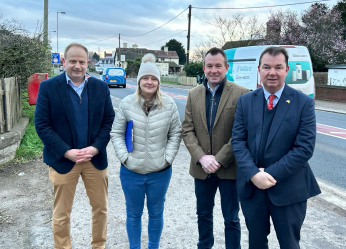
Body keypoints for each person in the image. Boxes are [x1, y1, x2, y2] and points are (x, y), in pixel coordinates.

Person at [232, 46, 321, 249]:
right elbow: (237, 141)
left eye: (278, 67)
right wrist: (254, 174)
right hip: (252, 189)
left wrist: (267, 174)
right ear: (259, 69)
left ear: (286, 69)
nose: (272, 72)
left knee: (289, 244)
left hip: (289, 189)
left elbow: (304, 148)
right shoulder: (245, 102)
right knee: (256, 243)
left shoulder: (303, 103)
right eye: (267, 67)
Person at [34, 43, 115, 249]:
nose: (77, 66)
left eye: (81, 62)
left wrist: (96, 148)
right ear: (64, 62)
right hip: (63, 160)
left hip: (94, 159)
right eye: (72, 61)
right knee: (61, 213)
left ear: (87, 63)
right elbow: (42, 125)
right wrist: (65, 151)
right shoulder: (48, 87)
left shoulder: (101, 87)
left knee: (100, 209)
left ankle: (99, 246)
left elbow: (108, 121)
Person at [110, 53, 182, 249]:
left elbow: (176, 133)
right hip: (131, 171)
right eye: (145, 78)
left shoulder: (169, 104)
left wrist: (167, 158)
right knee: (133, 213)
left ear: (158, 81)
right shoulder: (127, 104)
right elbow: (116, 133)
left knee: (156, 213)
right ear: (139, 80)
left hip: (159, 172)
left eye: (153, 79)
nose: (149, 82)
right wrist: (124, 157)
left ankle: (153, 246)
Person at [182, 47, 249, 249]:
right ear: (204, 68)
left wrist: (218, 159)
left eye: (218, 66)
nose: (214, 70)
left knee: (231, 218)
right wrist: (202, 157)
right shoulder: (193, 94)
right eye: (209, 66)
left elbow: (240, 133)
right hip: (202, 169)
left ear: (226, 67)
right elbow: (187, 130)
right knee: (203, 215)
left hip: (229, 169)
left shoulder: (241, 94)